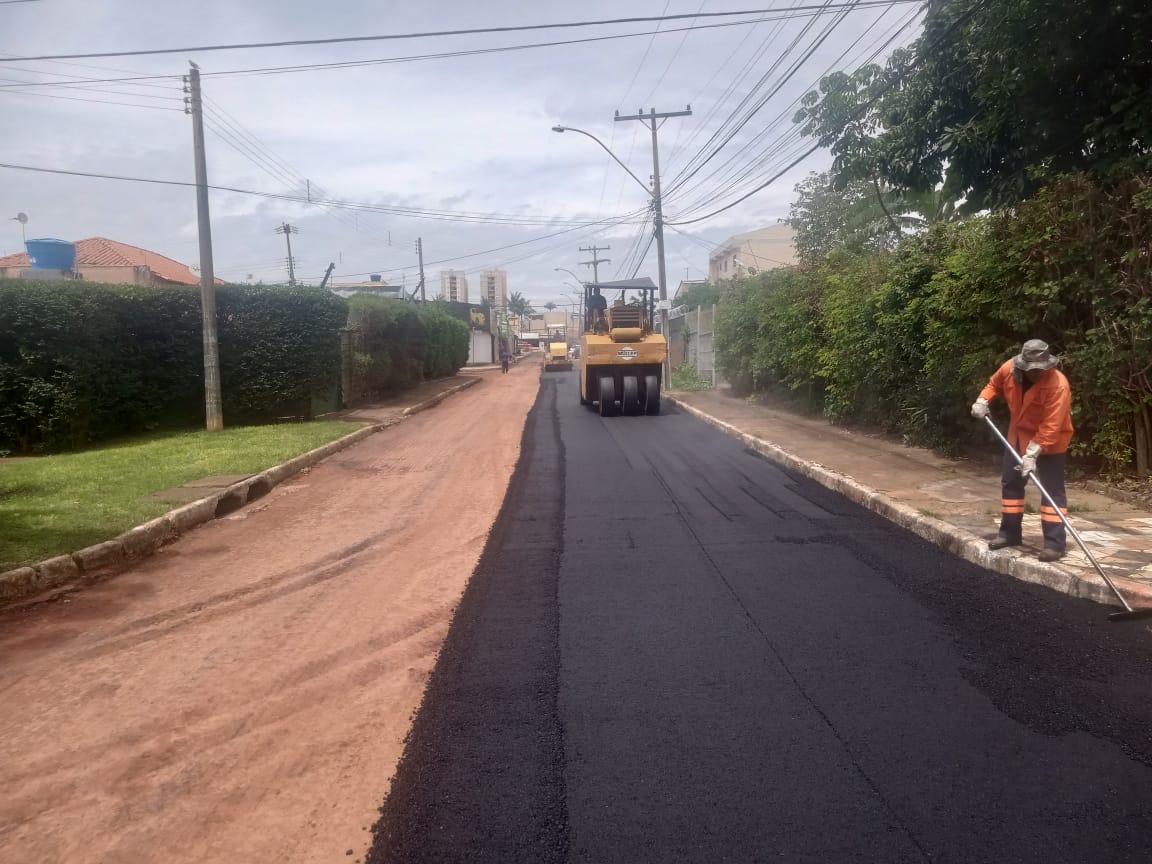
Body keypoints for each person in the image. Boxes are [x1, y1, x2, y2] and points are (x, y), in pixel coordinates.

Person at [971, 339, 1074, 562]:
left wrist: (1033, 454)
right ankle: (1009, 533)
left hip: (1050, 443)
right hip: (1017, 437)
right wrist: (982, 400)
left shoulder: (1058, 385)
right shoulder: (1009, 369)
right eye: (1032, 369)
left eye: (1041, 369)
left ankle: (1055, 544)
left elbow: (1052, 425)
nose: (1037, 373)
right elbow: (993, 384)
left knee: (1052, 491)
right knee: (1011, 484)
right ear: (1022, 364)